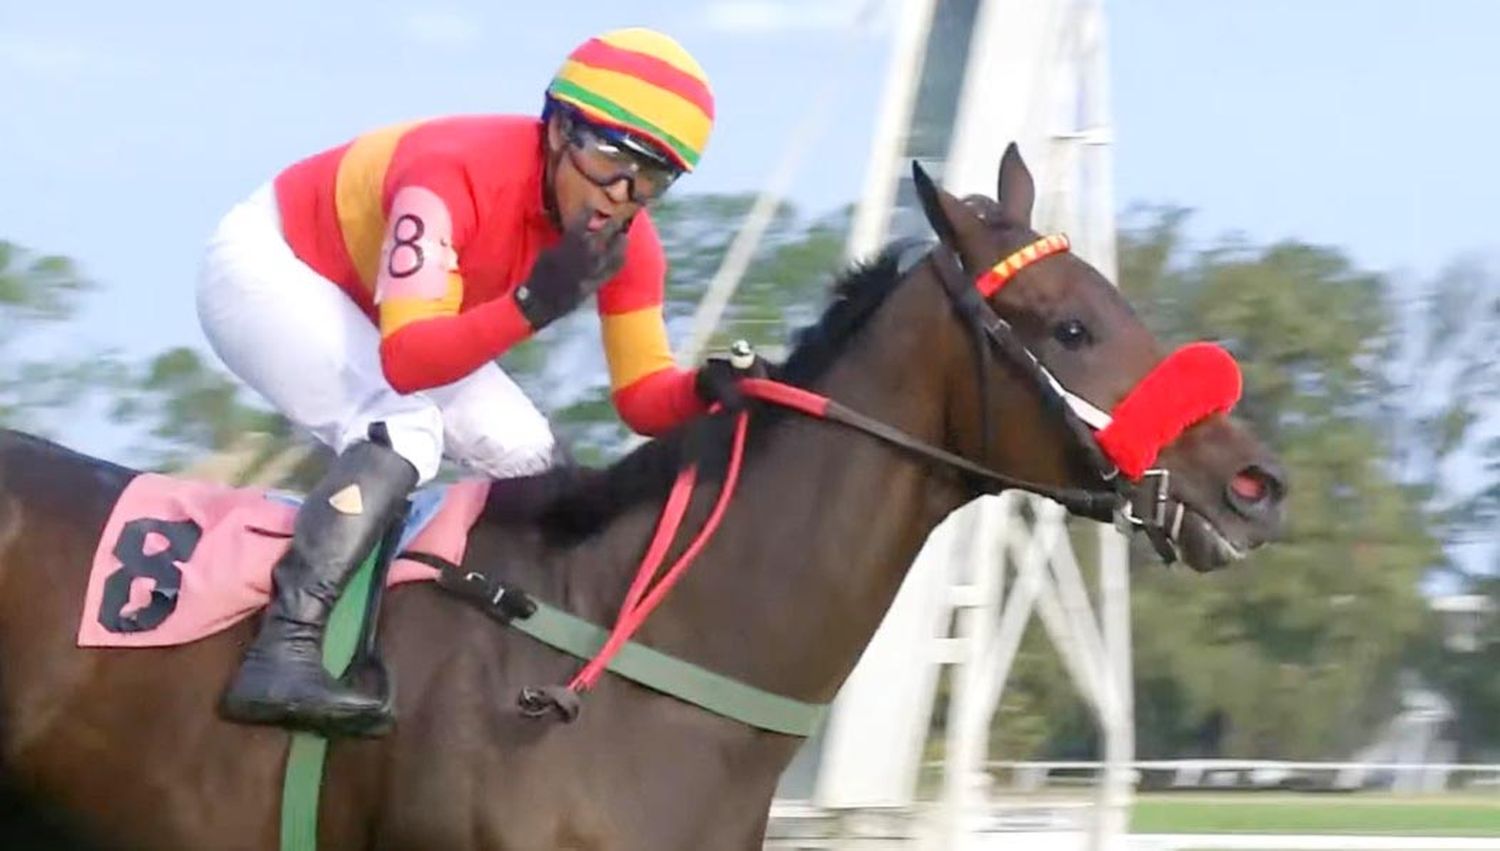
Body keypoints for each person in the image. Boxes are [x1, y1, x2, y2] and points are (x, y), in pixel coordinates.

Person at [197, 27, 739, 736]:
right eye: (609, 153)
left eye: (652, 175)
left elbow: (642, 399)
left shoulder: (629, 243)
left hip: (386, 314)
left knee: (533, 457)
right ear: (556, 128)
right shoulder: (450, 173)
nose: (622, 191)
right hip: (275, 267)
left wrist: (715, 389)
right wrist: (531, 304)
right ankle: (284, 648)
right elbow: (409, 364)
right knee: (401, 428)